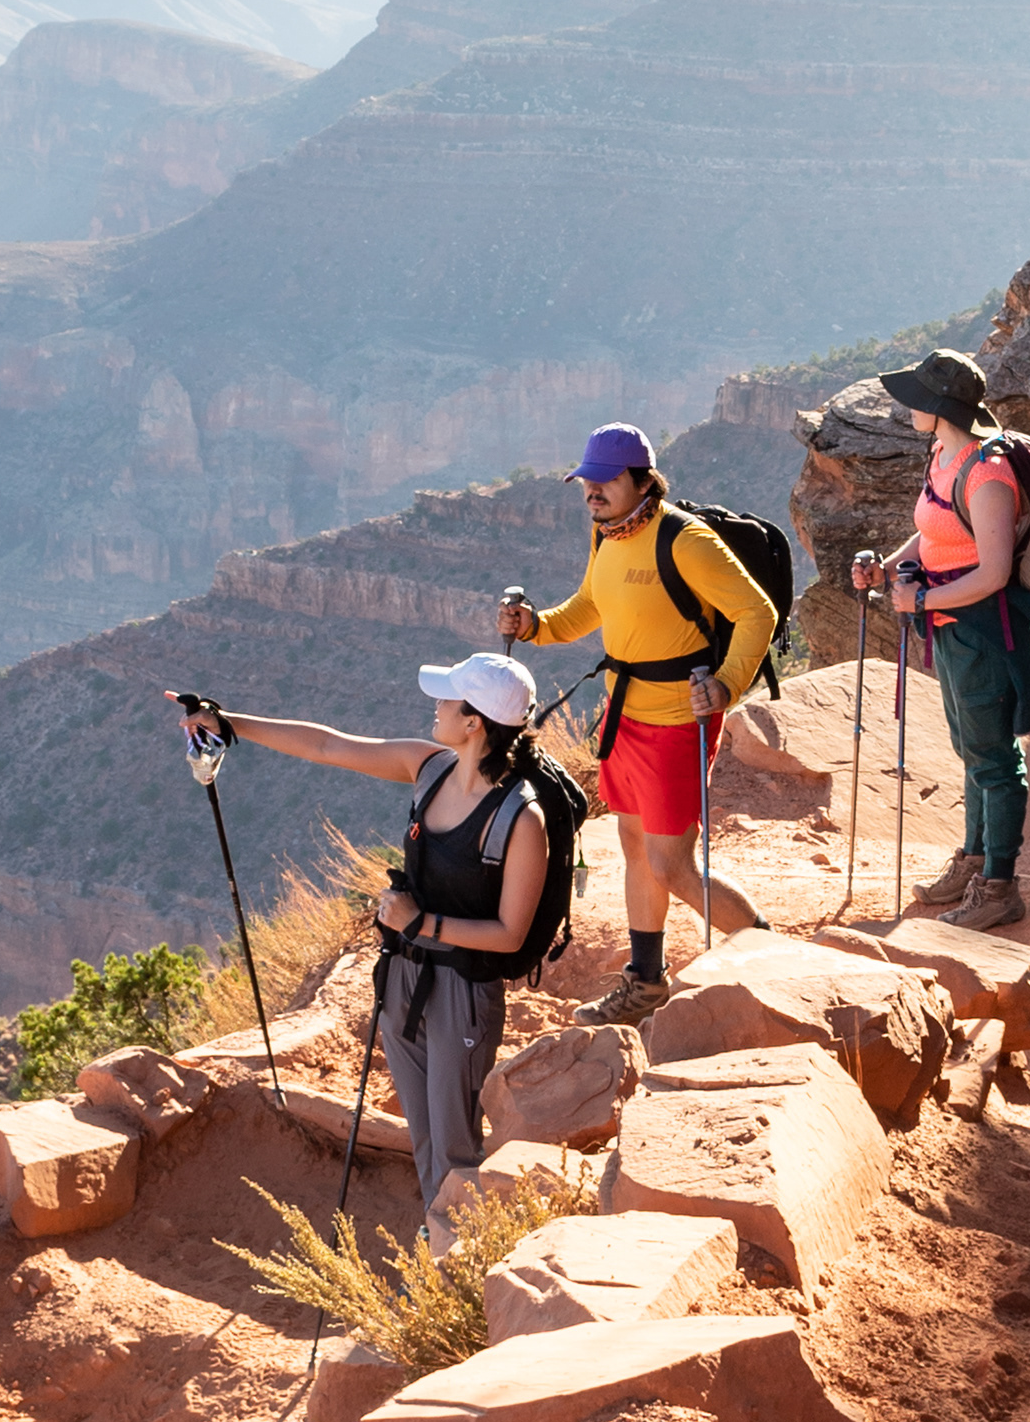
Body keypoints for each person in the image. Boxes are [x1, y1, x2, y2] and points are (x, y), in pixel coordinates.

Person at [179, 653, 564, 1215]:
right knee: (427, 1135)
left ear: (475, 722)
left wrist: (421, 922)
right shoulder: (430, 766)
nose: (436, 705)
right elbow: (330, 746)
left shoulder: (521, 820)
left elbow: (509, 935)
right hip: (404, 978)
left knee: (455, 1144)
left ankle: (458, 1264)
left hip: (463, 991)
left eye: (447, 699)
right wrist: (228, 723)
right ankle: (442, 1240)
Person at [500, 426, 780, 1027]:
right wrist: (535, 626)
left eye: (604, 480)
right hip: (623, 717)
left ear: (641, 480)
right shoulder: (608, 536)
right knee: (633, 848)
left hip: (679, 721)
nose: (591, 491)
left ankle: (769, 947)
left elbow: (758, 611)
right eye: (586, 480)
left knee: (671, 865)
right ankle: (646, 982)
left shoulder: (686, 540)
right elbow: (590, 607)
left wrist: (728, 684)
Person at [858, 348, 1030, 912]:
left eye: (916, 398)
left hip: (983, 632)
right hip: (949, 627)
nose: (907, 406)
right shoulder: (944, 454)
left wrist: (923, 597)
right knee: (972, 750)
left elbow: (993, 572)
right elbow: (936, 531)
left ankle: (999, 887)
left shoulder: (987, 475)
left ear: (940, 408)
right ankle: (973, 861)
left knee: (994, 759)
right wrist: (889, 569)